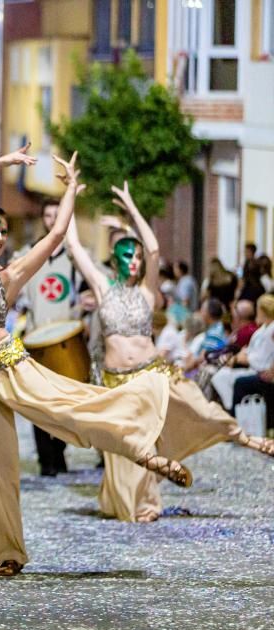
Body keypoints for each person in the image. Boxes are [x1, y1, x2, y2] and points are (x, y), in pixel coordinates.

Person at [0, 146, 191, 576]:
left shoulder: (10, 276)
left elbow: (55, 238)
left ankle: (143, 452)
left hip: (5, 365)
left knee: (69, 408)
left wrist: (72, 189)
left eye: (3, 230)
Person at [64, 181, 274, 523]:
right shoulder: (103, 289)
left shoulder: (148, 293)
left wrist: (132, 207)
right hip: (117, 381)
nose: (134, 262)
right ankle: (124, 501)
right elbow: (73, 243)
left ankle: (244, 438)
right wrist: (70, 195)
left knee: (193, 410)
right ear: (115, 261)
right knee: (123, 444)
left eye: (136, 257)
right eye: (126, 256)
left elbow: (153, 248)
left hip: (150, 375)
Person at [15, 198, 79, 476]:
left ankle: (60, 450)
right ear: (43, 219)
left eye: (58, 214)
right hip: (37, 339)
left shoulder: (75, 257)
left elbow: (87, 291)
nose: (53, 220)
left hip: (66, 340)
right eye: (49, 215)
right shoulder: (29, 254)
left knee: (65, 403)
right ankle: (46, 458)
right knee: (38, 402)